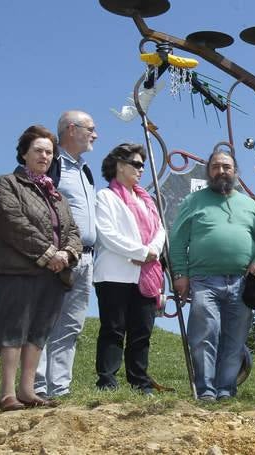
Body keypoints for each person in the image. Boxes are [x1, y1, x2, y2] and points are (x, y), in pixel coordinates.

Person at [0, 125, 82, 411]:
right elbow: (12, 222)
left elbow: (73, 231)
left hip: (54, 274)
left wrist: (67, 254)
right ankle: (7, 394)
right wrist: (47, 252)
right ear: (24, 154)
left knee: (38, 331)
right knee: (13, 329)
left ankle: (27, 391)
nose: (44, 156)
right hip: (18, 269)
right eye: (38, 150)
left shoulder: (57, 196)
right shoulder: (7, 183)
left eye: (49, 152)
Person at [169, 149, 255, 401]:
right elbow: (178, 239)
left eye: (226, 166)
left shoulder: (248, 203)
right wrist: (180, 273)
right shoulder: (193, 201)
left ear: (235, 172)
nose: (221, 171)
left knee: (235, 339)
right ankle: (205, 390)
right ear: (208, 171)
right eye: (216, 166)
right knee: (205, 335)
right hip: (203, 280)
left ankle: (226, 390)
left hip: (242, 282)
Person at [35, 110, 98, 399]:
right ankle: (36, 387)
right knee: (45, 319)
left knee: (71, 325)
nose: (95, 135)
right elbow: (36, 206)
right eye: (91, 129)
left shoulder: (85, 169)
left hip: (86, 259)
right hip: (59, 257)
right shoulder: (53, 163)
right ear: (72, 129)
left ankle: (58, 390)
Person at [94, 143, 165, 394]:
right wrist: (141, 252)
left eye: (143, 165)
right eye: (136, 164)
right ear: (119, 166)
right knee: (113, 328)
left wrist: (152, 251)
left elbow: (160, 230)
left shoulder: (147, 200)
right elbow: (107, 234)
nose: (141, 169)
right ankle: (107, 380)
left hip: (146, 275)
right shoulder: (106, 197)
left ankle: (139, 381)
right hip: (114, 274)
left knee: (142, 331)